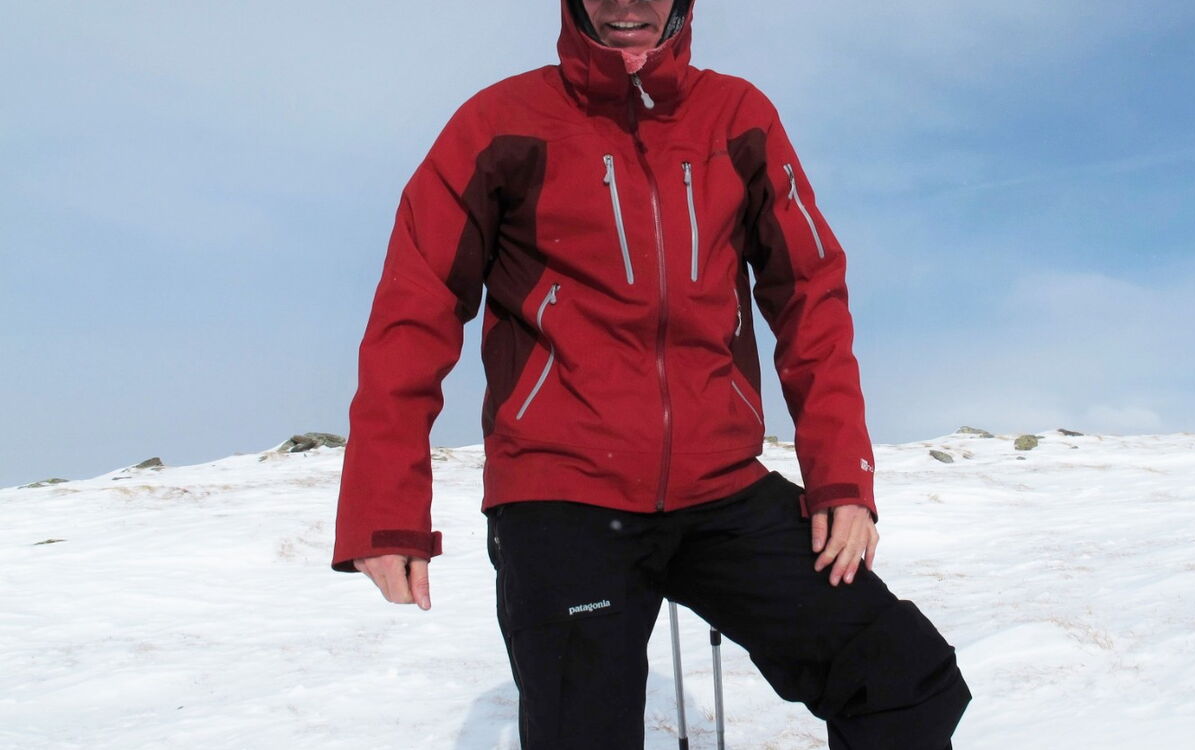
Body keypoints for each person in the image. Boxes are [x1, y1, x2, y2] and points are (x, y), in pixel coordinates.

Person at [330, 1, 971, 747]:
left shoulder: (737, 116)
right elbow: (414, 309)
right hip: (562, 495)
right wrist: (384, 507)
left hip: (721, 488)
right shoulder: (499, 123)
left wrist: (841, 480)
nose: (626, 3)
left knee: (904, 680)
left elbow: (810, 295)